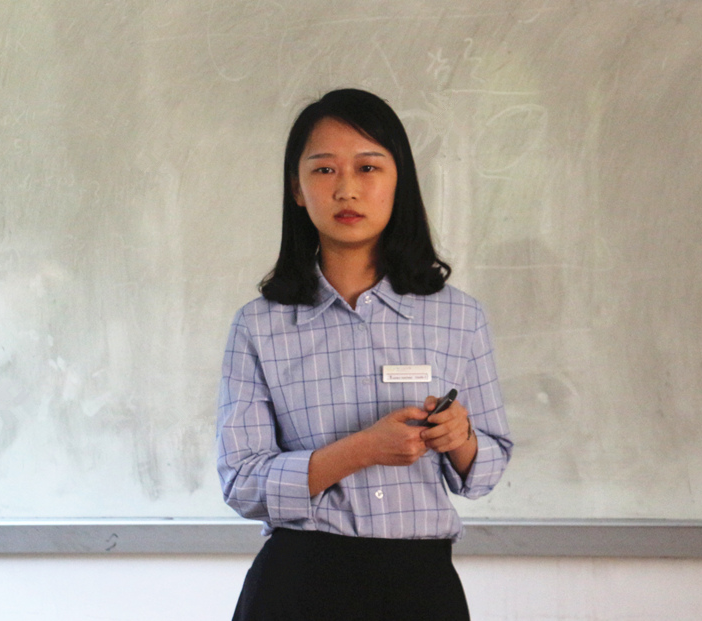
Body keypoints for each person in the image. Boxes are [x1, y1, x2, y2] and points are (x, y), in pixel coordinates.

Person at [217, 88, 512, 621]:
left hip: (420, 589)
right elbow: (241, 482)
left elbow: (487, 470)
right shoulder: (259, 325)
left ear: (399, 182)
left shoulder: (459, 317)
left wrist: (460, 437)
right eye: (324, 170)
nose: (347, 188)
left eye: (368, 167)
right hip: (297, 587)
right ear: (297, 189)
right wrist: (362, 449)